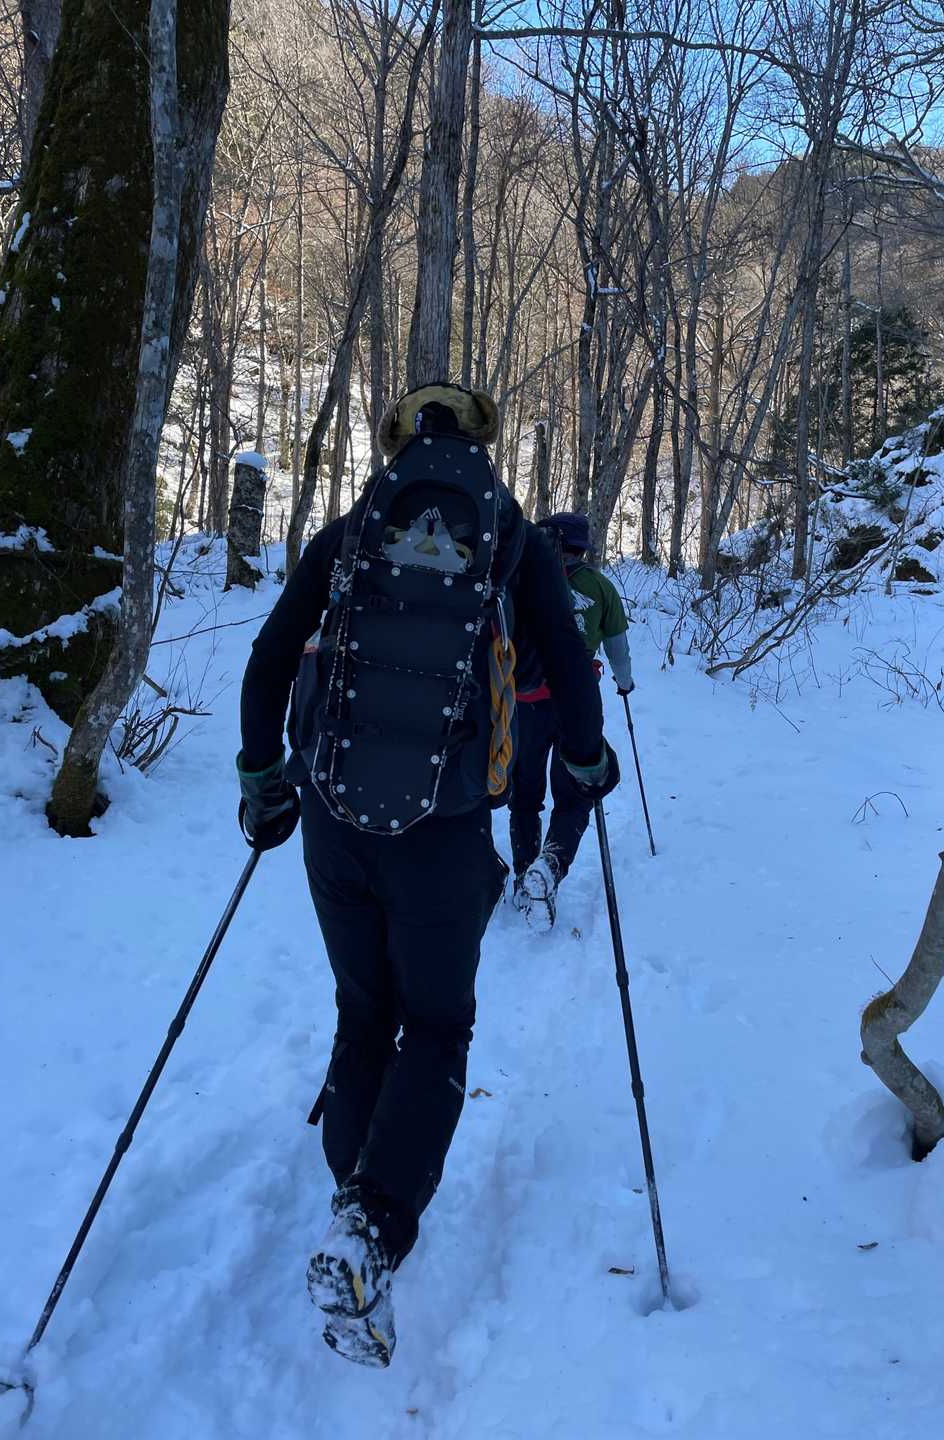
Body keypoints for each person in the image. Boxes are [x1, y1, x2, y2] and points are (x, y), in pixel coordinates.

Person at [236, 383, 619, 1369]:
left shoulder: (352, 533)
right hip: (443, 832)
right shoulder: (514, 542)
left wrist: (262, 780)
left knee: (364, 1015)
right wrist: (585, 762)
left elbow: (270, 658)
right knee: (438, 1025)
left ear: (398, 445)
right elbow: (569, 666)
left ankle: (352, 1207)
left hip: (334, 821)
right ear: (483, 451)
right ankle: (369, 1228)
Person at [509, 511, 634, 931]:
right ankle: (551, 864)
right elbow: (618, 647)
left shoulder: (521, 578)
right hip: (576, 704)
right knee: (576, 793)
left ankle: (523, 874)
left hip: (524, 701)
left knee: (525, 795)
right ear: (583, 548)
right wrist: (624, 683)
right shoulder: (600, 587)